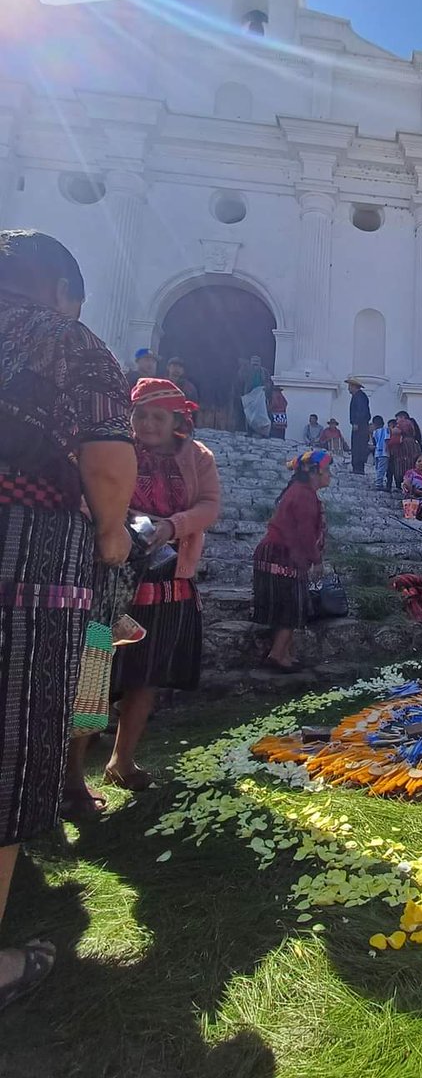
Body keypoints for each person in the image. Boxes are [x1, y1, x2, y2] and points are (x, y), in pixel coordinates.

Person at [0, 230, 135, 1009]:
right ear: (58, 290)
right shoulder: (61, 341)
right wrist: (112, 537)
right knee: (9, 730)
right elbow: (108, 462)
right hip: (20, 560)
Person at [103, 379, 220, 789]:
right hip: (112, 578)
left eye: (158, 416)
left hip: (169, 577)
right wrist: (121, 520)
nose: (147, 424)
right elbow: (88, 493)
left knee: (147, 672)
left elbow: (209, 505)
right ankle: (70, 777)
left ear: (177, 420)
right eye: (140, 415)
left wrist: (173, 526)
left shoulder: (198, 457)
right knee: (95, 671)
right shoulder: (113, 450)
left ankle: (123, 759)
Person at [252, 449, 331, 671]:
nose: (329, 474)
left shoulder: (302, 492)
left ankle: (285, 653)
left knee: (291, 605)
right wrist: (316, 560)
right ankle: (277, 655)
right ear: (314, 472)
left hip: (282, 553)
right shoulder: (303, 495)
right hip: (282, 554)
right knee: (291, 607)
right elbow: (304, 532)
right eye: (326, 470)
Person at [391, 410, 421, 490]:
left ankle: (401, 484)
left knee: (402, 464)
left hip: (404, 447)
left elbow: (395, 431)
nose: (397, 421)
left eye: (397, 419)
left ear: (402, 417)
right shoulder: (412, 424)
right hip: (413, 446)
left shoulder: (404, 422)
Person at [347, 379, 371, 475]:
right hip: (361, 424)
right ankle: (357, 467)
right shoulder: (359, 396)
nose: (348, 388)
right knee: (358, 445)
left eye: (350, 386)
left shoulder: (359, 396)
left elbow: (361, 411)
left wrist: (356, 422)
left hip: (360, 425)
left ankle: (358, 467)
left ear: (354, 386)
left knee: (358, 446)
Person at [371, 415, 390, 490]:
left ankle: (378, 481)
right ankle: (379, 483)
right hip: (384, 452)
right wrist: (388, 449)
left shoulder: (375, 432)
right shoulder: (386, 430)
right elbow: (387, 439)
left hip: (377, 452)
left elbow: (374, 442)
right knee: (382, 468)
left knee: (378, 468)